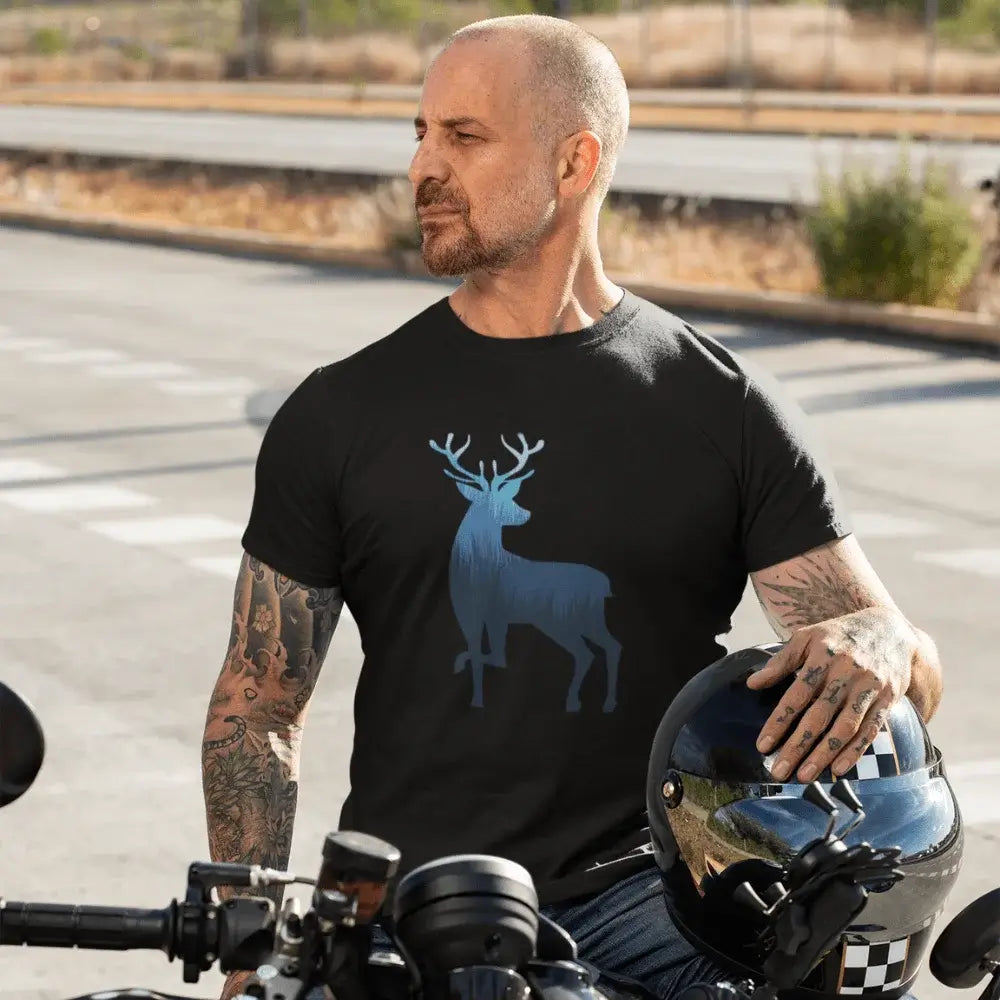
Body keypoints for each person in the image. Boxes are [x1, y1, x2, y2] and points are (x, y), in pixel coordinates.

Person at [201, 14, 944, 1000]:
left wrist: (883, 642)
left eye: (463, 137)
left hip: (654, 911)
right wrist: (249, 942)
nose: (423, 166)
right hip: (412, 911)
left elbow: (897, 665)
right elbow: (256, 707)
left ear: (574, 160)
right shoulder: (340, 411)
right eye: (419, 134)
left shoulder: (720, 407)